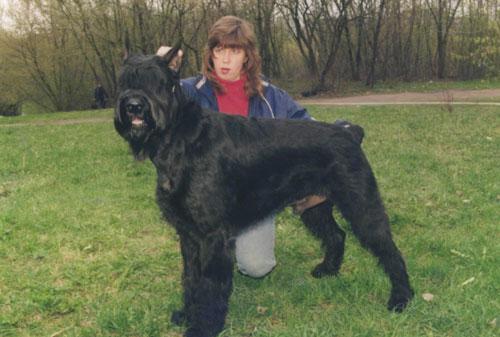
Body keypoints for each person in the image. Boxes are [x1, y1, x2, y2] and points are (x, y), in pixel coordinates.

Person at [157, 15, 325, 278]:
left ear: (247, 56)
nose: (225, 60)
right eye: (219, 50)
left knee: (256, 267)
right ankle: (221, 238)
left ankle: (237, 238)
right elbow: (159, 103)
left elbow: (307, 127)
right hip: (206, 198)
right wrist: (163, 68)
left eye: (234, 51)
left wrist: (339, 131)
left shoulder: (270, 96)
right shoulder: (189, 92)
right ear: (210, 54)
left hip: (253, 196)